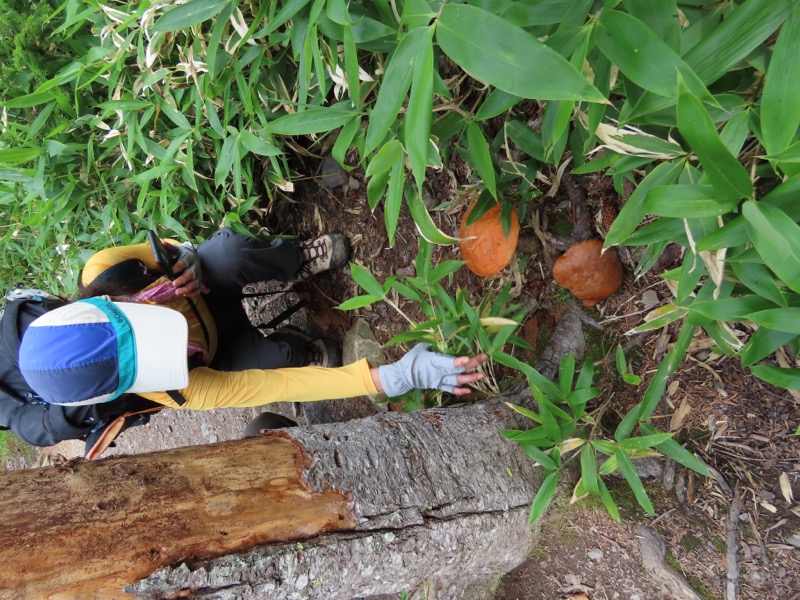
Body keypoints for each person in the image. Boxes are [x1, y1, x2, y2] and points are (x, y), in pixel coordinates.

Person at [18, 229, 486, 413]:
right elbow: (278, 387)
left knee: (226, 253)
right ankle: (295, 341)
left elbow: (175, 244)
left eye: (135, 324)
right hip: (219, 352)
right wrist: (396, 376)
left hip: (209, 293)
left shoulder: (106, 269)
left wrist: (186, 263)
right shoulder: (177, 389)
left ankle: (294, 260)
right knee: (288, 361)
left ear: (105, 303)